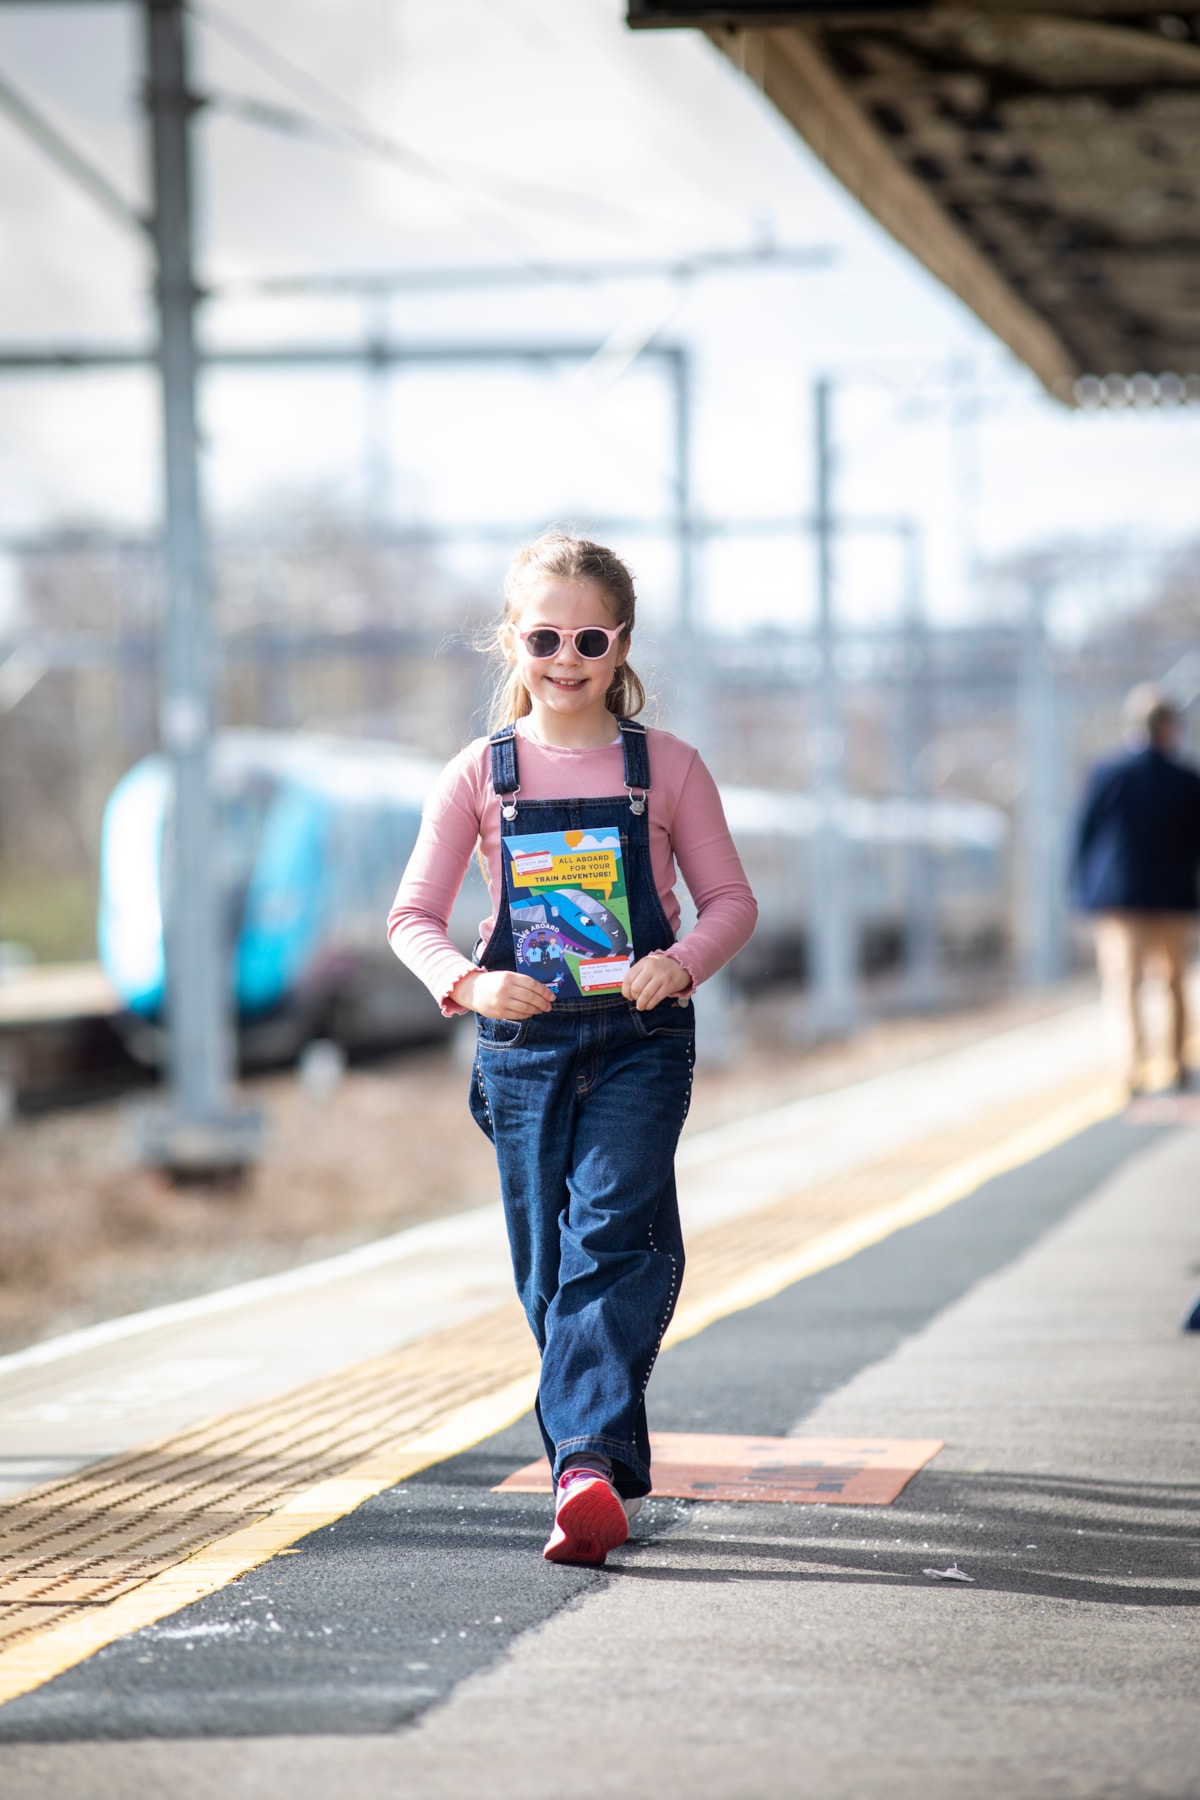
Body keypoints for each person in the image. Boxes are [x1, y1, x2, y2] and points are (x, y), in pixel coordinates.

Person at [387, 533, 757, 1566]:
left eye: (588, 638)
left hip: (641, 1041)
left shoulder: (670, 768)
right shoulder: (477, 775)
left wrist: (680, 962)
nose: (566, 657)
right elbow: (412, 917)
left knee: (610, 1236)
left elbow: (731, 902)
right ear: (512, 642)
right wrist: (465, 981)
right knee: (550, 1272)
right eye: (544, 636)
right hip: (522, 1047)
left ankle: (584, 1469)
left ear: (621, 643)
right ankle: (599, 1455)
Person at [1071, 683, 1200, 1095]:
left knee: (1123, 982)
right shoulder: (1186, 779)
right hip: (1173, 896)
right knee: (1174, 980)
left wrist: (1078, 886)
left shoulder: (1107, 773)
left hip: (1118, 899)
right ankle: (1176, 1062)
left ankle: (1131, 1069)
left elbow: (1083, 833)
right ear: (1168, 728)